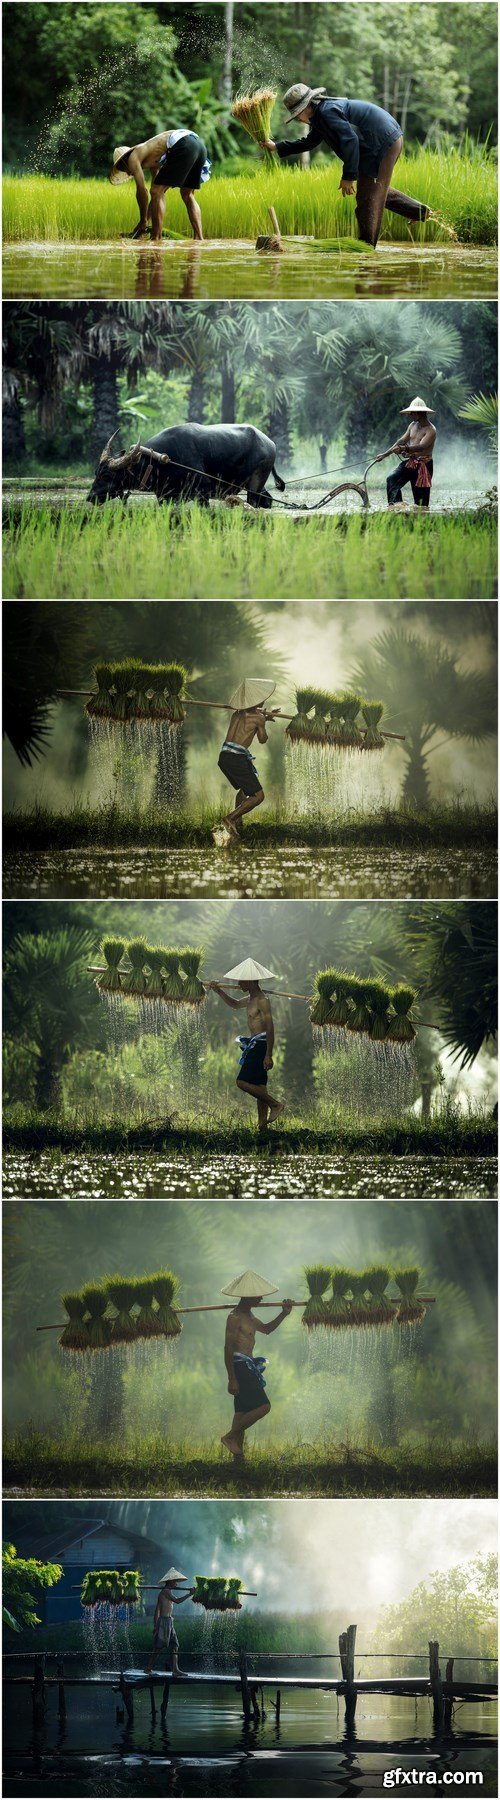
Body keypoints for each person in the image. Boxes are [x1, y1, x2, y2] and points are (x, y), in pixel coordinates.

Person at [260, 83, 431, 248]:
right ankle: (418, 211)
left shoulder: (327, 112)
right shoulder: (320, 116)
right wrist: (277, 146)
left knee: (368, 198)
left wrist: (348, 176)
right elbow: (309, 143)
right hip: (379, 141)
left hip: (382, 141)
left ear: (306, 107)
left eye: (297, 115)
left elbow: (350, 140)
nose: (298, 119)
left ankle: (366, 247)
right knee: (372, 189)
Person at [220, 1269, 293, 1461]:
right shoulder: (234, 1317)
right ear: (248, 1296)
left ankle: (239, 1458)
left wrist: (284, 1314)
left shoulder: (251, 1317)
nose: (261, 1298)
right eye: (258, 1295)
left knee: (241, 1411)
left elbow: (267, 1329)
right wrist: (232, 1378)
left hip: (248, 1366)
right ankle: (230, 1436)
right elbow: (228, 1348)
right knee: (264, 1407)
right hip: (240, 1367)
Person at [208, 956, 284, 1131]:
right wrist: (218, 991)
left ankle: (275, 1105)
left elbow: (270, 1027)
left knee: (242, 1082)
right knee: (260, 1087)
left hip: (261, 1045)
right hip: (255, 1044)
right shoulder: (251, 998)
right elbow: (234, 1004)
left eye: (241, 980)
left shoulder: (262, 1000)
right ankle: (262, 1126)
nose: (239, 984)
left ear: (249, 981)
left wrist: (268, 1054)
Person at [109, 129, 210, 242]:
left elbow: (142, 192)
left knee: (157, 191)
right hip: (199, 145)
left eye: (122, 168)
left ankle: (156, 239)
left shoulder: (133, 157)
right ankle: (199, 238)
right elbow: (155, 197)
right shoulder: (153, 156)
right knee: (187, 194)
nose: (127, 173)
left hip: (184, 144)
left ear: (124, 160)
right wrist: (146, 221)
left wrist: (143, 221)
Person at [217, 677, 280, 841]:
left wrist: (264, 717)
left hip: (224, 757)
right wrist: (264, 723)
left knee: (244, 790)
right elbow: (262, 739)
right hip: (237, 758)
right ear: (257, 700)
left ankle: (238, 824)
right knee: (258, 796)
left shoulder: (236, 714)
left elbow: (247, 723)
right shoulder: (258, 718)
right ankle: (230, 818)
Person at [375, 395, 436, 509]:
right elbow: (401, 440)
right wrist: (384, 455)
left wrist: (404, 449)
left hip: (424, 466)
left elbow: (422, 447)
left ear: (420, 413)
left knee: (421, 503)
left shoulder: (431, 430)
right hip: (411, 462)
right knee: (392, 479)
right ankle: (397, 507)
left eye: (412, 412)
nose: (411, 414)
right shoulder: (412, 425)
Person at [146, 1568, 194, 1676]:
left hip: (169, 1622)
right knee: (158, 1647)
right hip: (164, 1622)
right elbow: (177, 1601)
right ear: (170, 1581)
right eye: (175, 1581)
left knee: (174, 1645)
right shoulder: (165, 1591)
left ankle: (175, 1670)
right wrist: (189, 1594)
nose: (176, 1583)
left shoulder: (166, 1592)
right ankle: (148, 1668)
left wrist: (155, 1625)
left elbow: (156, 1610)